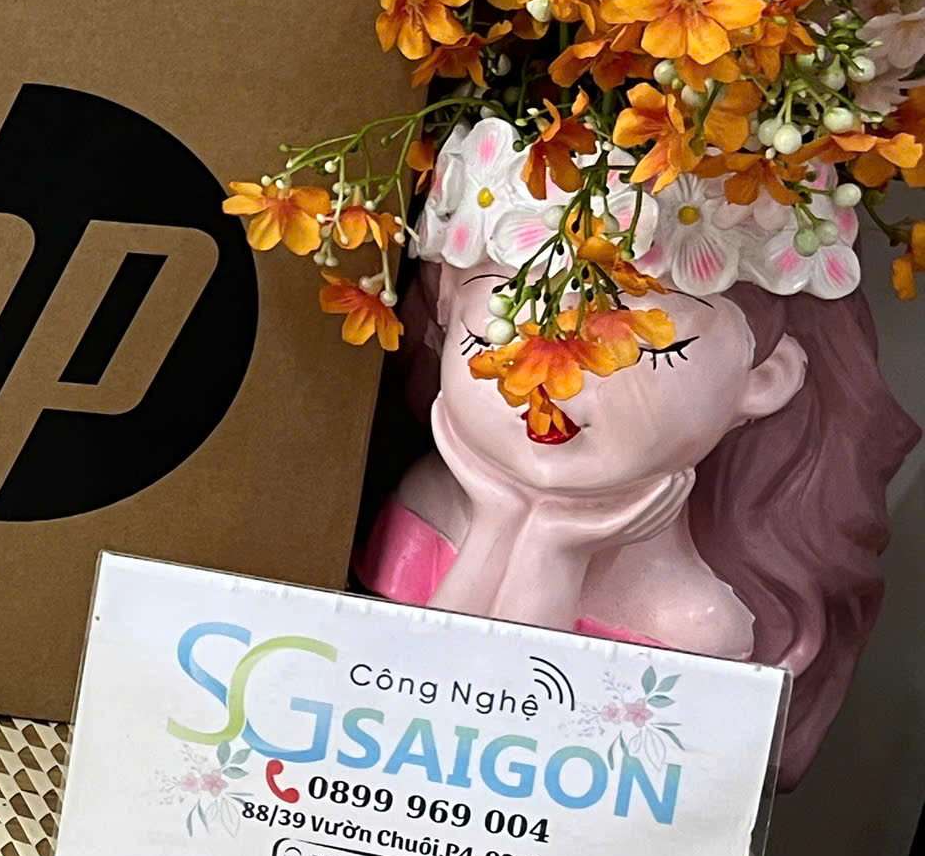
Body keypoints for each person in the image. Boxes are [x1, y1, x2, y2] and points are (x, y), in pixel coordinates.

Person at [360, 121, 919, 788]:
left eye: (644, 350)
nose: (555, 383)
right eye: (492, 333)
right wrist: (500, 528)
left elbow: (529, 771)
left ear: (765, 377)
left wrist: (553, 551)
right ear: (445, 319)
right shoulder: (429, 508)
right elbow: (386, 719)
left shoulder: (696, 624)